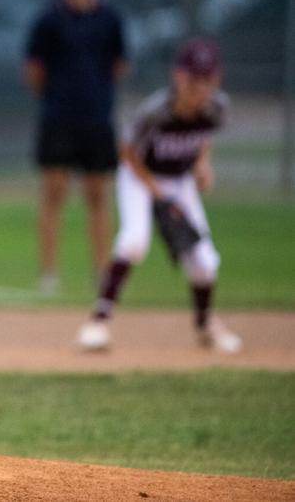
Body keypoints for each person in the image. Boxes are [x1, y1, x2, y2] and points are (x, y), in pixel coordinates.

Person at [76, 38, 242, 353]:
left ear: (216, 79)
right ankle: (97, 323)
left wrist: (203, 165)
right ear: (178, 76)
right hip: (140, 177)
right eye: (194, 80)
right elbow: (126, 151)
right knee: (134, 242)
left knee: (205, 263)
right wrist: (157, 196)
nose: (200, 88)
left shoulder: (217, 107)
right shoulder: (157, 111)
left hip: (180, 181)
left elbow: (204, 137)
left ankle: (205, 325)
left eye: (207, 80)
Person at [23, 0, 128, 294]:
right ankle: (49, 274)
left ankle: (101, 273)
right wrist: (58, 98)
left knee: (98, 195)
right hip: (58, 118)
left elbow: (118, 66)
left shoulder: (109, 20)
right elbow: (34, 71)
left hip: (98, 118)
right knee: (53, 194)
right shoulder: (49, 20)